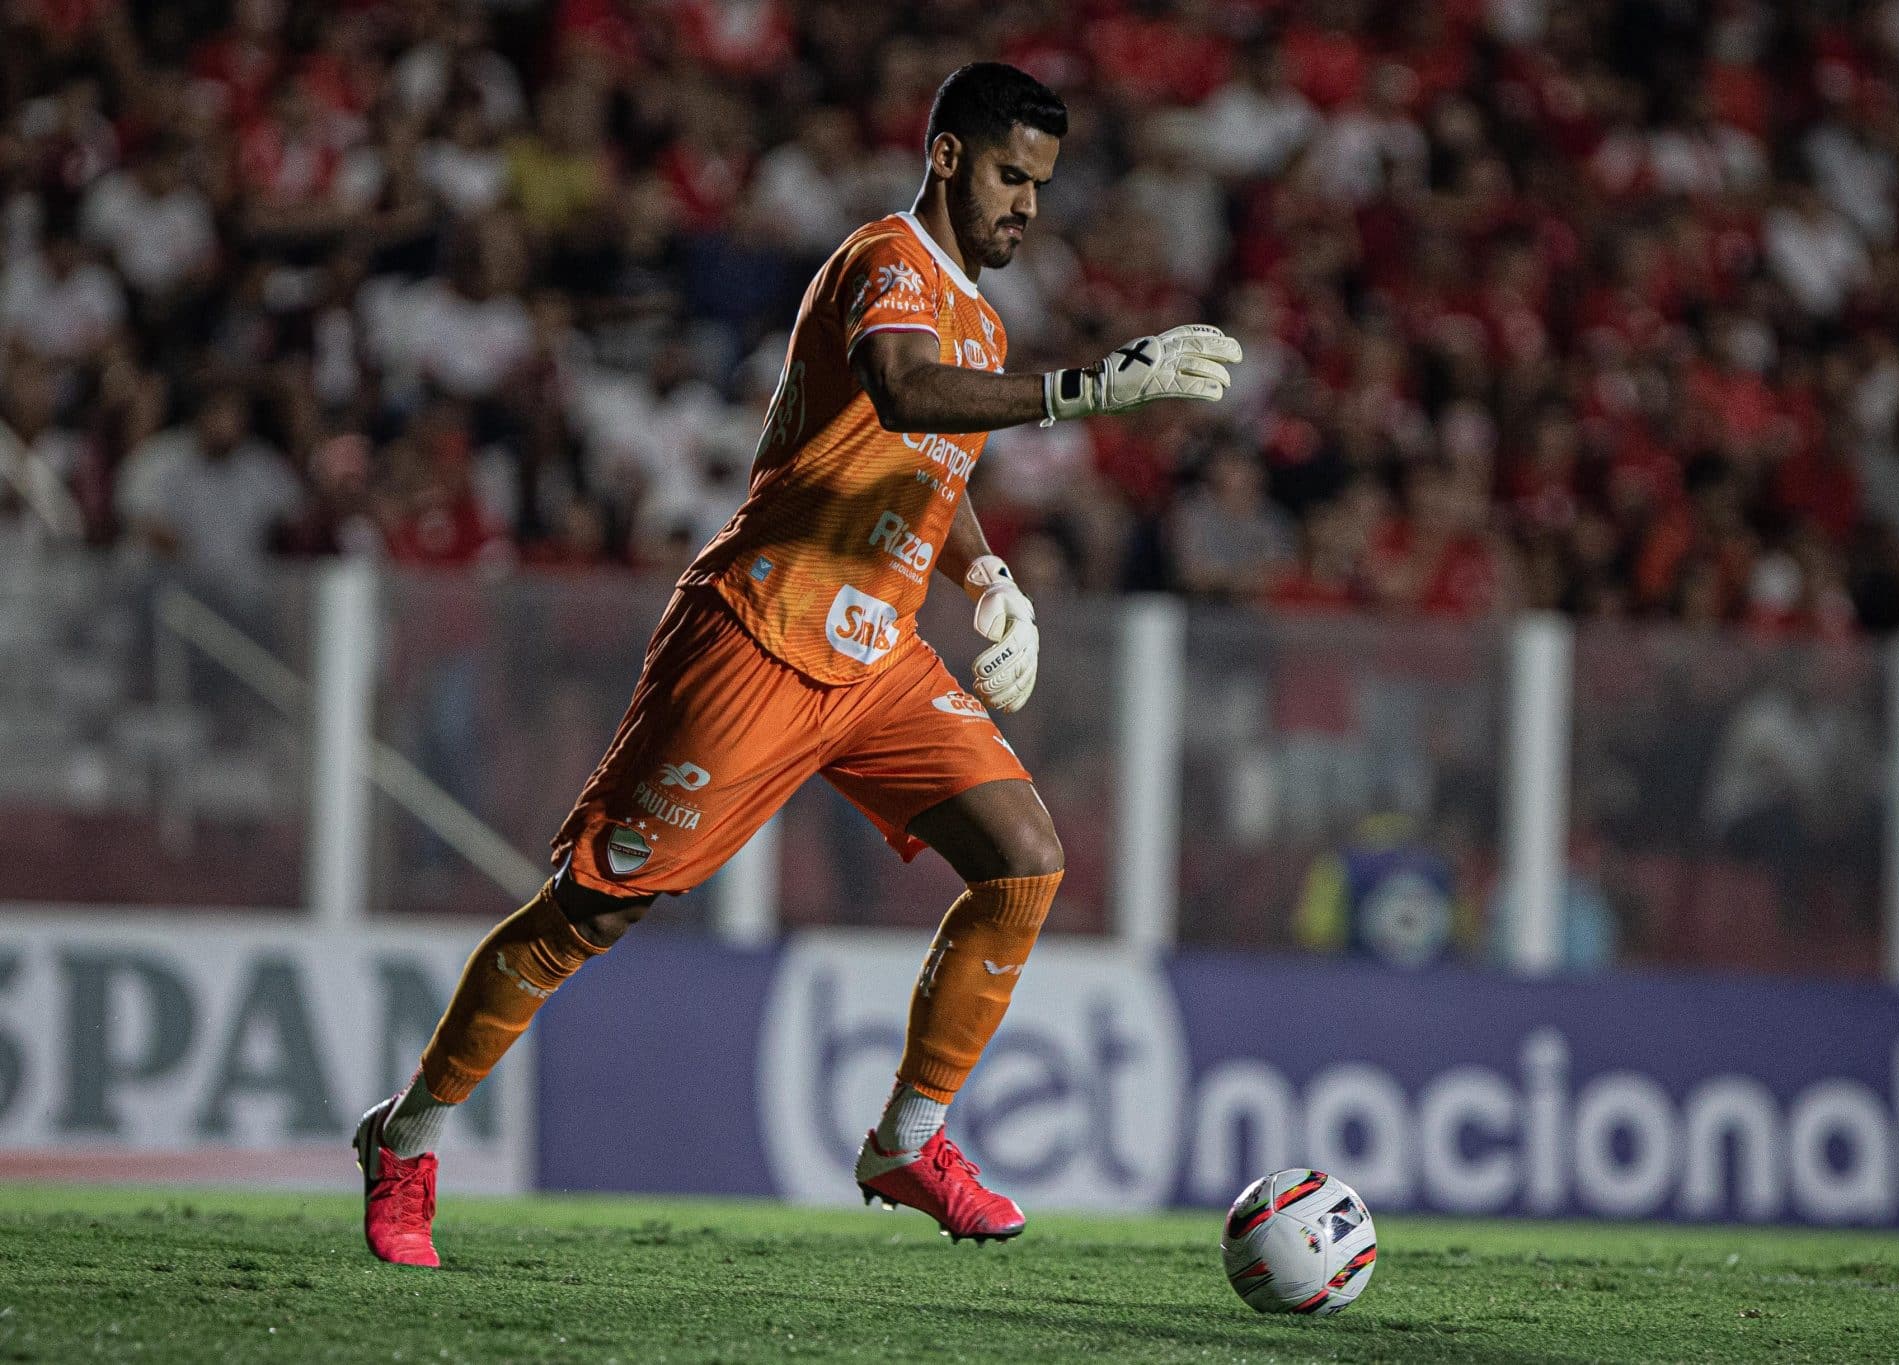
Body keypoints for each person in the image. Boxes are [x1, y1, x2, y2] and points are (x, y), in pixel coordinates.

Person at [352, 62, 1241, 1267]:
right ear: (945, 157)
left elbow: (926, 467)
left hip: (877, 660)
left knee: (1024, 860)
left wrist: (987, 576)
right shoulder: (885, 262)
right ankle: (406, 1137)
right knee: (593, 908)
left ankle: (906, 1142)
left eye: (1040, 185)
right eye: (1008, 176)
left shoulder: (981, 324)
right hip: (758, 634)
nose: (1026, 206)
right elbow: (901, 390)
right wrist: (1080, 391)